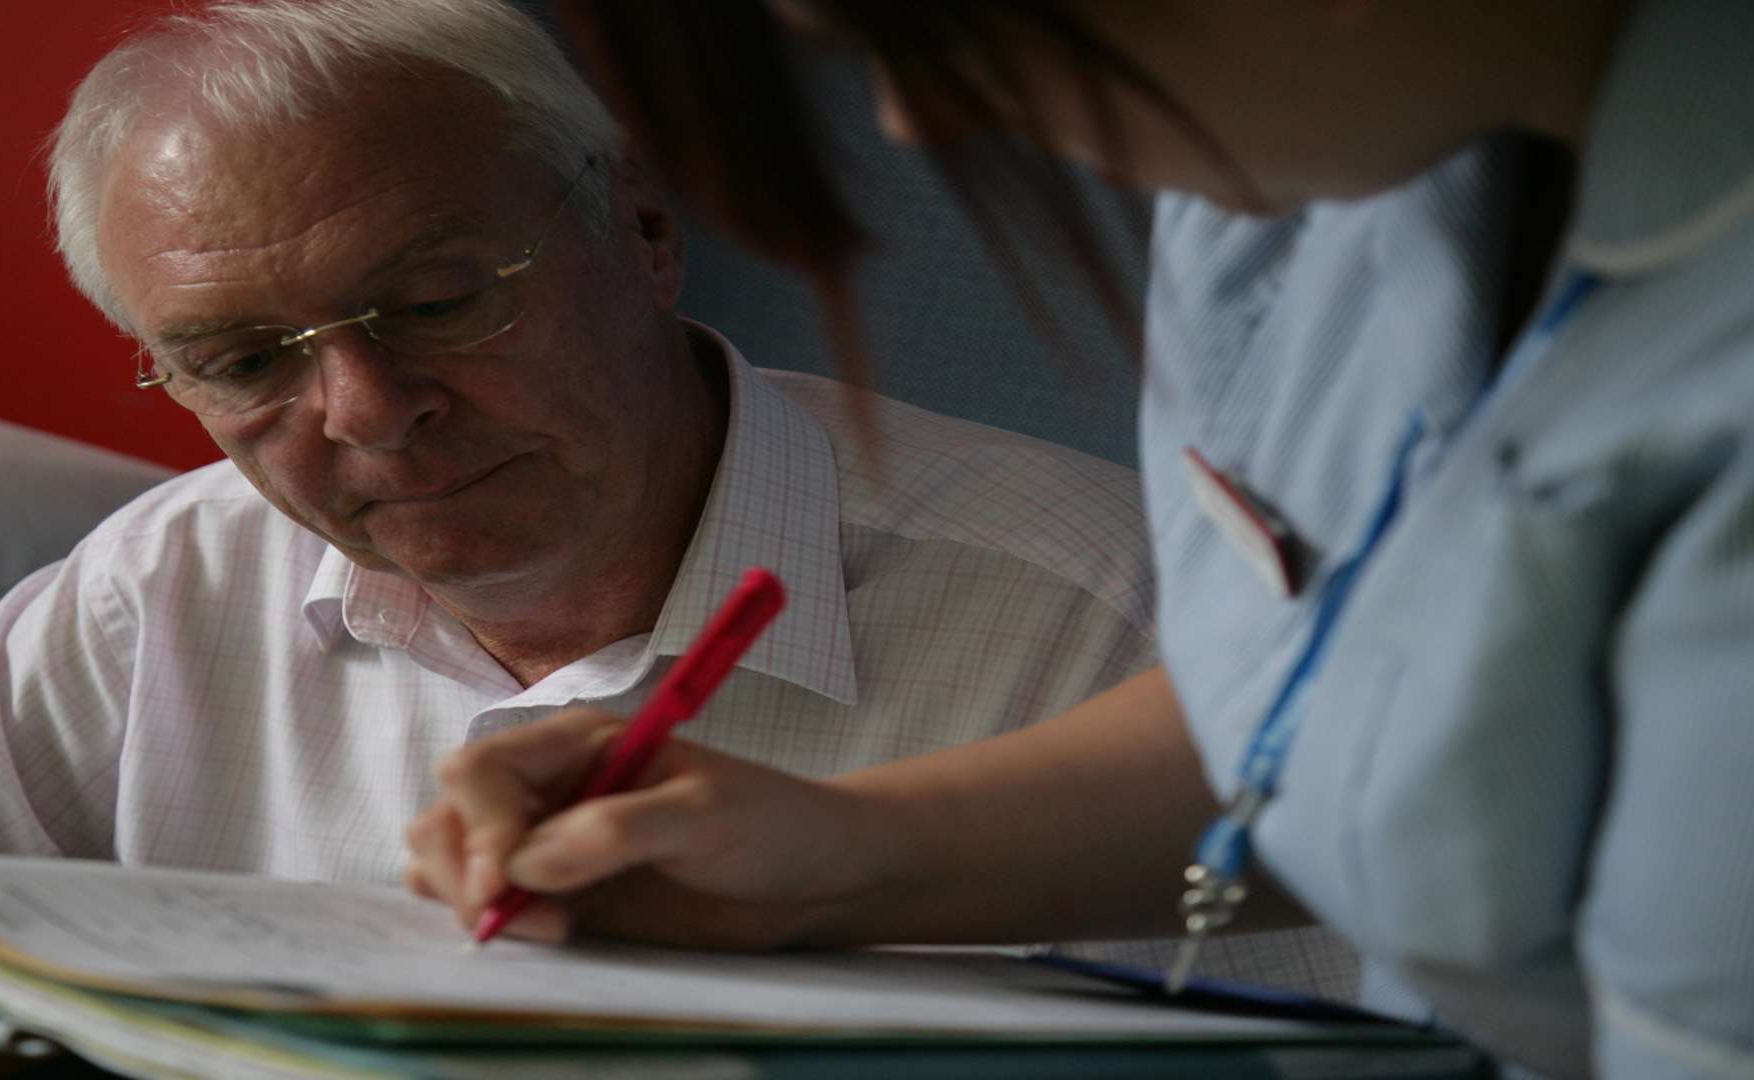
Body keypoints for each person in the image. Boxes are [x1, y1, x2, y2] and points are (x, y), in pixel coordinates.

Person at [0, 2, 1366, 1077]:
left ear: (640, 232)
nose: (368, 411)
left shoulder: (1124, 620)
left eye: (439, 301)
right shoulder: (167, 583)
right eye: (246, 360)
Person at [403, 1, 1754, 1077]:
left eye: (943, 26)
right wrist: (834, 860)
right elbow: (1379, 705)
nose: (916, 116)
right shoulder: (1288, 177)